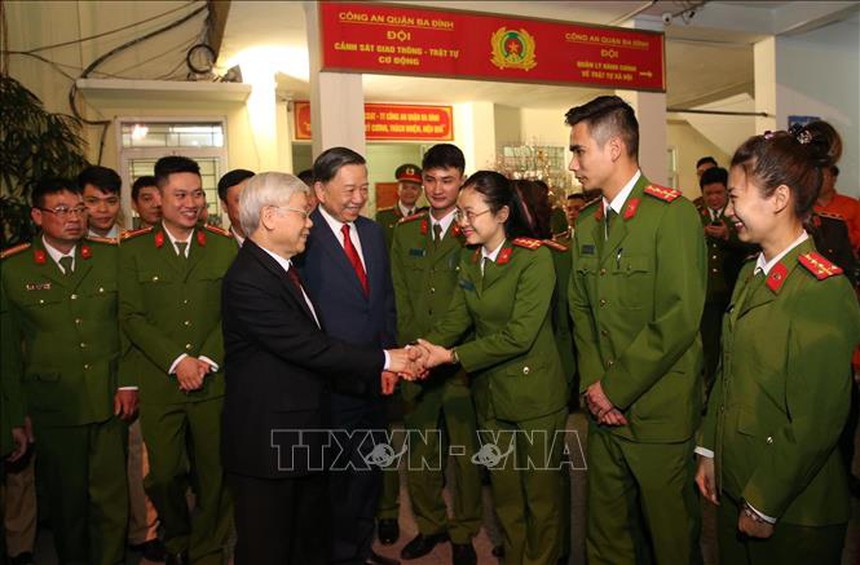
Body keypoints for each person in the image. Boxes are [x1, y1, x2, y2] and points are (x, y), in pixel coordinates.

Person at [220, 172, 419, 565]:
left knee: (305, 540)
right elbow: (306, 346)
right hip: (268, 444)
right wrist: (385, 358)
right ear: (271, 217)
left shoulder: (281, 268)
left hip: (301, 430)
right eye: (303, 214)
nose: (310, 223)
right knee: (268, 547)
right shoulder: (248, 279)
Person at [695, 124, 860, 564]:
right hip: (737, 479)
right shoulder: (751, 272)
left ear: (779, 199)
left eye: (735, 196)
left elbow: (817, 420)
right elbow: (728, 373)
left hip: (791, 506)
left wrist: (764, 500)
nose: (728, 210)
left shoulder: (821, 289)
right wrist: (711, 450)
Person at [566, 95, 707, 565]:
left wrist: (616, 389)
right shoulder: (587, 222)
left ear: (615, 148)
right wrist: (594, 386)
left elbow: (679, 318)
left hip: (656, 412)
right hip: (602, 409)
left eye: (579, 150)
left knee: (669, 538)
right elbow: (581, 310)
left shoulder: (672, 215)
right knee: (607, 534)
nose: (572, 164)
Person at [416, 170, 569, 564]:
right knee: (505, 496)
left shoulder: (533, 260)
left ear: (501, 213)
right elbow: (457, 318)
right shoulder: (470, 260)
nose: (462, 223)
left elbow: (520, 335)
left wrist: (452, 357)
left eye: (469, 214)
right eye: (461, 214)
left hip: (535, 398)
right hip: (491, 396)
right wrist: (420, 350)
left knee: (541, 498)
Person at [1, 177, 133, 565]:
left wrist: (128, 381)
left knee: (111, 502)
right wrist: (14, 415)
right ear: (37, 216)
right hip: (54, 405)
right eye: (61, 211)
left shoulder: (111, 256)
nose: (74, 218)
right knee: (67, 504)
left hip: (109, 398)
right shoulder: (13, 269)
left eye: (78, 209)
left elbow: (129, 325)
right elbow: (8, 353)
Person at [119, 156, 235, 565]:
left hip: (213, 379)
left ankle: (207, 550)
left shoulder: (222, 245)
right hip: (161, 381)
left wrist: (204, 358)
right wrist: (177, 360)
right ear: (159, 199)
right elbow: (130, 315)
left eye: (197, 194)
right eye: (180, 194)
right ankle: (178, 536)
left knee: (214, 474)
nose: (191, 203)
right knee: (164, 475)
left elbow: (234, 311)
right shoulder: (132, 250)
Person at [296, 147, 398, 565]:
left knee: (369, 473)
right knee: (334, 479)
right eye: (349, 189)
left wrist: (389, 358)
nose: (359, 197)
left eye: (364, 188)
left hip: (374, 377)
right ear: (320, 190)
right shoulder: (302, 236)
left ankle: (360, 549)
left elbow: (384, 301)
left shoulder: (373, 232)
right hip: (329, 382)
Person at [389, 143, 482, 563]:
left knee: (464, 457)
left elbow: (475, 302)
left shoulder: (474, 232)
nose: (437, 189)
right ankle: (430, 525)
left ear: (461, 180)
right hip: (415, 363)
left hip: (458, 363)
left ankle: (464, 531)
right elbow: (399, 296)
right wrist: (413, 352)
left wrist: (441, 352)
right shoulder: (405, 232)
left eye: (447, 180)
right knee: (421, 453)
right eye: (430, 180)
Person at [696, 166, 756, 389]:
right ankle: (710, 391)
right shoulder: (694, 213)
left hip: (734, 290)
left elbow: (754, 244)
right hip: (707, 293)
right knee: (709, 346)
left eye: (718, 193)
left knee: (735, 345)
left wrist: (727, 235)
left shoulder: (739, 212)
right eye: (708, 194)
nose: (713, 198)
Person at [376, 163, 425, 248]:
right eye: (405, 187)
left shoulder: (425, 216)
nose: (409, 192)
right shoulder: (383, 217)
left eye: (414, 188)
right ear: (398, 189)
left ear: (420, 192)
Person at [79, 165, 122, 239]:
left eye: (111, 201)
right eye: (93, 201)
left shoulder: (134, 243)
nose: (103, 209)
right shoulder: (69, 246)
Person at [218, 168, 255, 246]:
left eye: (254, 198)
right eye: (240, 200)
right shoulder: (219, 249)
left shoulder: (281, 243)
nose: (249, 205)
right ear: (224, 205)